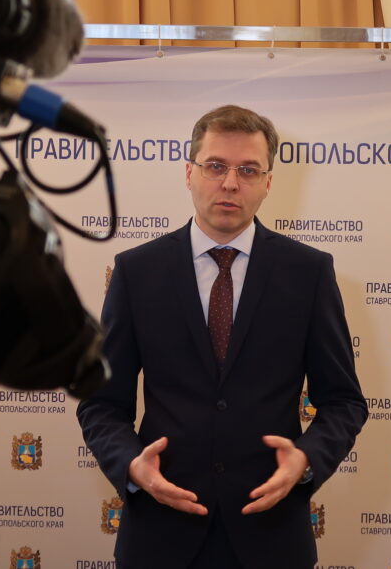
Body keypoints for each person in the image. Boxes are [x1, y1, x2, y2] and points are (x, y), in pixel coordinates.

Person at [76, 105, 367, 569]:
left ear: (268, 183)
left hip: (271, 536)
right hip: (159, 534)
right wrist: (132, 465)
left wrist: (306, 459)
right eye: (215, 166)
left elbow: (344, 402)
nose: (230, 183)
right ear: (189, 173)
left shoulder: (309, 272)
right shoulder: (137, 271)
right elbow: (101, 403)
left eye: (248, 170)